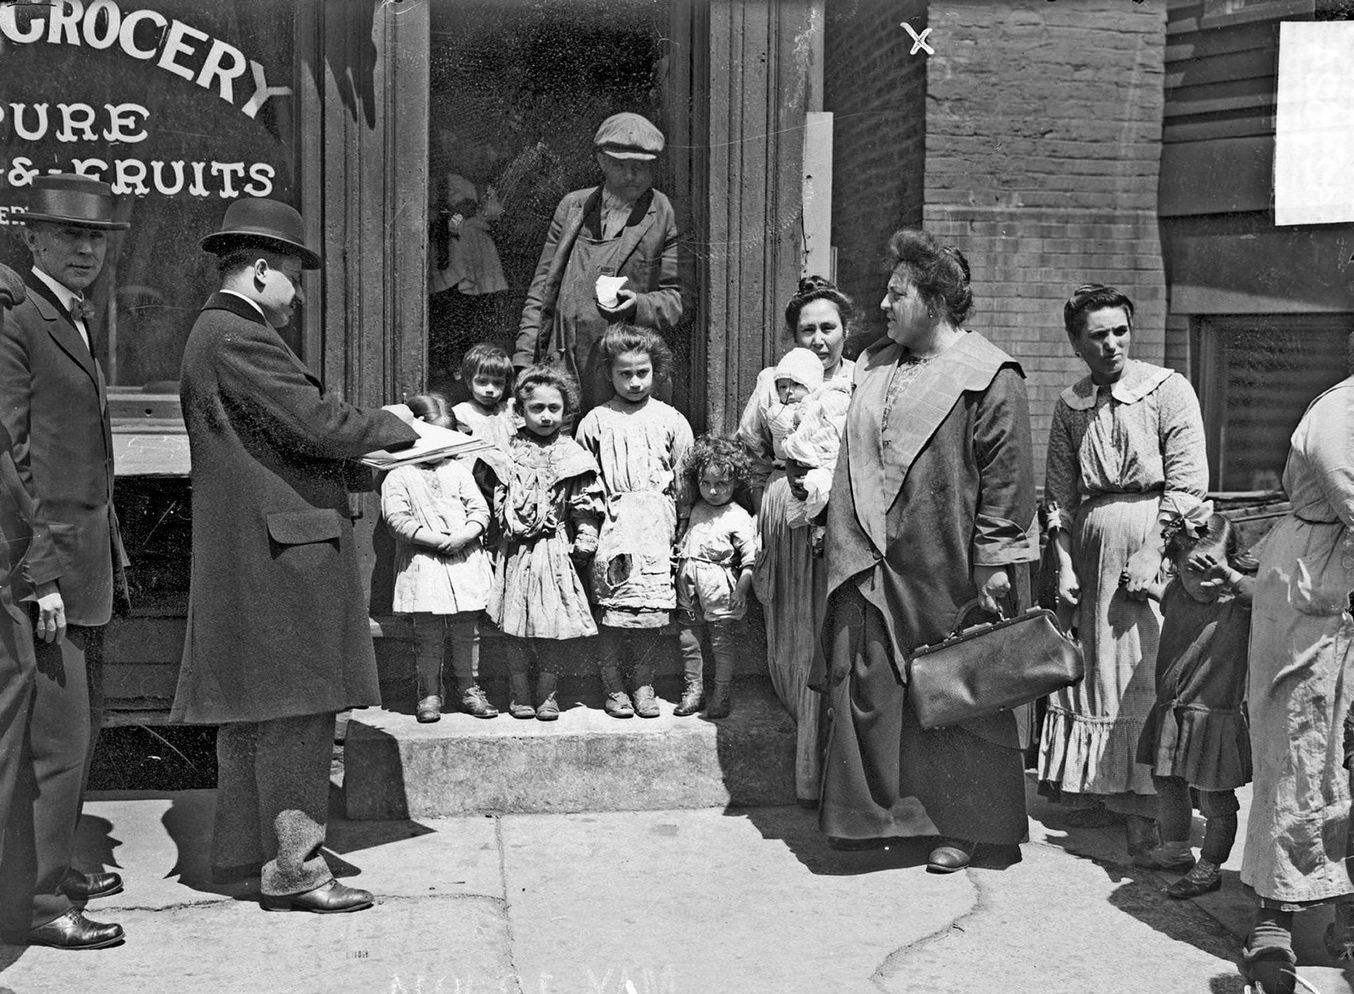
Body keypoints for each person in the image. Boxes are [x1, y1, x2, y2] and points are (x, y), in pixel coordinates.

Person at [172, 196, 420, 914]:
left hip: (261, 551)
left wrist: (360, 464)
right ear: (258, 270)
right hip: (283, 556)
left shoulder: (217, 333)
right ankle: (296, 868)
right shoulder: (238, 336)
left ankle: (240, 858)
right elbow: (317, 423)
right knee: (298, 713)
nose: (299, 294)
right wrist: (401, 426)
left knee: (254, 713)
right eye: (293, 276)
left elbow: (279, 444)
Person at [817, 229, 1037, 873]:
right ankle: (878, 819)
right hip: (873, 556)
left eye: (898, 294)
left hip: (951, 562)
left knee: (961, 692)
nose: (883, 305)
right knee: (874, 682)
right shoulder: (876, 364)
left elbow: (1007, 480)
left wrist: (994, 562)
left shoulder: (990, 375)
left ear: (936, 302)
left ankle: (967, 827)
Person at [0, 175, 130, 947]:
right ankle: (41, 903)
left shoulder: (69, 315)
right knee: (56, 743)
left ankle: (51, 871)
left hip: (85, 567)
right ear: (33, 239)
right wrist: (41, 573)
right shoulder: (18, 320)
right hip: (43, 570)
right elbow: (13, 459)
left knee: (76, 735)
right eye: (69, 235)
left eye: (96, 237)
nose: (86, 249)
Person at [1036, 283, 1208, 857]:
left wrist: (1153, 550)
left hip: (1154, 541)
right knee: (1096, 669)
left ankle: (1148, 804)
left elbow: (1188, 482)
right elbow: (1058, 494)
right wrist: (1063, 564)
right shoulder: (1071, 405)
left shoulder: (1167, 389)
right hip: (1090, 551)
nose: (1111, 344)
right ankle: (1102, 787)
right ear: (1075, 343)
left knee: (1144, 669)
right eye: (1097, 335)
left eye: (1120, 331)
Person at [1238, 375, 1354, 993]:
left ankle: (1349, 915)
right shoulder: (1341, 412)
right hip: (1313, 586)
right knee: (1299, 751)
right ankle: (1274, 914)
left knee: (1350, 758)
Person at [737, 276, 856, 806]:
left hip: (844, 512)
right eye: (808, 330)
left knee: (835, 633)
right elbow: (749, 447)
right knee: (795, 631)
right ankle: (808, 764)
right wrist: (776, 492)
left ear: (846, 330)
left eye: (828, 327)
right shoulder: (772, 381)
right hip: (787, 512)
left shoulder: (860, 379)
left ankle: (832, 774)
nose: (818, 339)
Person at [513, 112, 682, 415]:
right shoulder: (573, 207)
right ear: (601, 161)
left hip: (621, 370)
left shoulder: (666, 213)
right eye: (620, 165)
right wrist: (524, 360)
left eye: (640, 166)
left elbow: (679, 300)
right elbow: (542, 288)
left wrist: (638, 304)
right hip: (562, 359)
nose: (631, 175)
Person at [1131, 505, 1254, 901]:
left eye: (1213, 569)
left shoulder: (1236, 603)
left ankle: (1209, 867)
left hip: (1213, 717)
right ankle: (1176, 850)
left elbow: (1264, 596)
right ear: (1175, 567)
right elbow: (1155, 591)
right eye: (1191, 570)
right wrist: (1134, 582)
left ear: (1230, 563)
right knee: (1167, 783)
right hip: (1172, 712)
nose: (1203, 581)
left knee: (1215, 799)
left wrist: (1229, 577)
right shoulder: (1176, 595)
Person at [576, 326, 693, 719]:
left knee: (648, 615)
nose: (635, 381)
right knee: (613, 615)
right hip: (614, 525)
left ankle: (644, 685)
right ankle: (613, 688)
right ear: (609, 374)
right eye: (624, 373)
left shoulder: (671, 420)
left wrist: (681, 524)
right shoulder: (596, 421)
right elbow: (583, 481)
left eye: (643, 372)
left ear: (655, 371)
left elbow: (684, 478)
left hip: (656, 527)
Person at [487, 365, 604, 721]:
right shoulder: (507, 451)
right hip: (515, 550)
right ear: (520, 410)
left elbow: (584, 503)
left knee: (551, 625)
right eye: (537, 408)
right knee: (515, 625)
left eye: (554, 408)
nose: (546, 416)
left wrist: (586, 536)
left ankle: (548, 692)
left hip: (553, 550)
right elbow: (492, 497)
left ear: (566, 410)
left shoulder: (571, 454)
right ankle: (519, 691)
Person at [381, 394, 497, 723]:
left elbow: (479, 510)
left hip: (463, 560)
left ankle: (469, 688)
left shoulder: (457, 471)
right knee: (427, 635)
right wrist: (435, 540)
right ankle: (429, 692)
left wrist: (464, 535)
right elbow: (397, 519)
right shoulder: (399, 475)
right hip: (424, 563)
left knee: (466, 632)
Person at [673, 434, 757, 719]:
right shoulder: (696, 508)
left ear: (735, 481)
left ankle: (721, 693)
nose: (712, 490)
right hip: (688, 585)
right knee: (689, 637)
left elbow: (750, 559)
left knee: (721, 642)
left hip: (720, 588)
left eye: (721, 483)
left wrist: (741, 590)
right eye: (705, 482)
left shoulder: (738, 515)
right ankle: (694, 691)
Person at [452, 343, 517, 452]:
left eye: (497, 383)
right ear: (469, 382)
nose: (490, 389)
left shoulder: (507, 410)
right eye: (482, 382)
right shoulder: (461, 414)